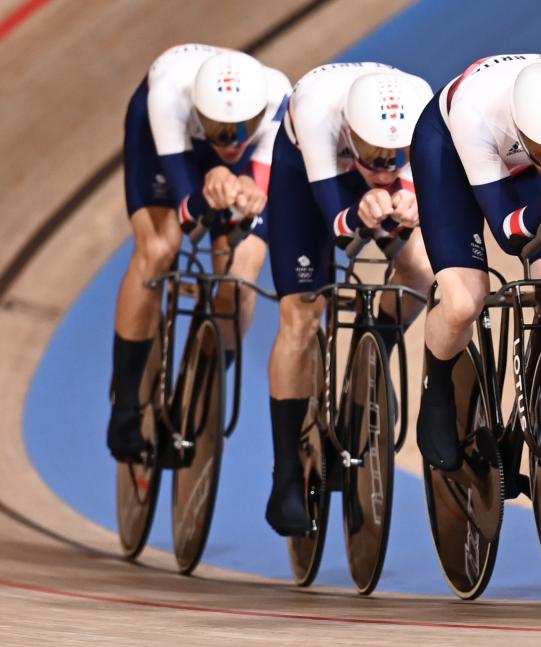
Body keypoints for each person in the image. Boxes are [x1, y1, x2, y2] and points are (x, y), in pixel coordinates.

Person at [409, 54, 541, 479]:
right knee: (465, 301)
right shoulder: (476, 112)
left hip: (524, 159)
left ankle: (537, 419)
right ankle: (438, 386)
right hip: (450, 152)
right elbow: (507, 232)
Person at [264, 62, 434, 536]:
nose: (384, 165)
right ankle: (285, 474)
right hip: (309, 177)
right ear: (350, 132)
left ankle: (373, 353)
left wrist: (414, 201)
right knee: (301, 314)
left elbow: (430, 193)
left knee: (422, 271)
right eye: (374, 155)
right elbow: (340, 230)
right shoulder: (318, 110)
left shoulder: (420, 102)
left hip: (359, 172)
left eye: (393, 155)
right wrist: (360, 211)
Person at [108, 44, 291, 462]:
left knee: (240, 275)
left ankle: (198, 394)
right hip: (170, 144)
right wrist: (214, 178)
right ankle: (124, 407)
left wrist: (246, 195)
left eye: (244, 128)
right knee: (159, 250)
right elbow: (190, 216)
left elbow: (256, 198)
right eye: (222, 131)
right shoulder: (169, 94)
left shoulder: (279, 95)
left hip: (224, 151)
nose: (232, 141)